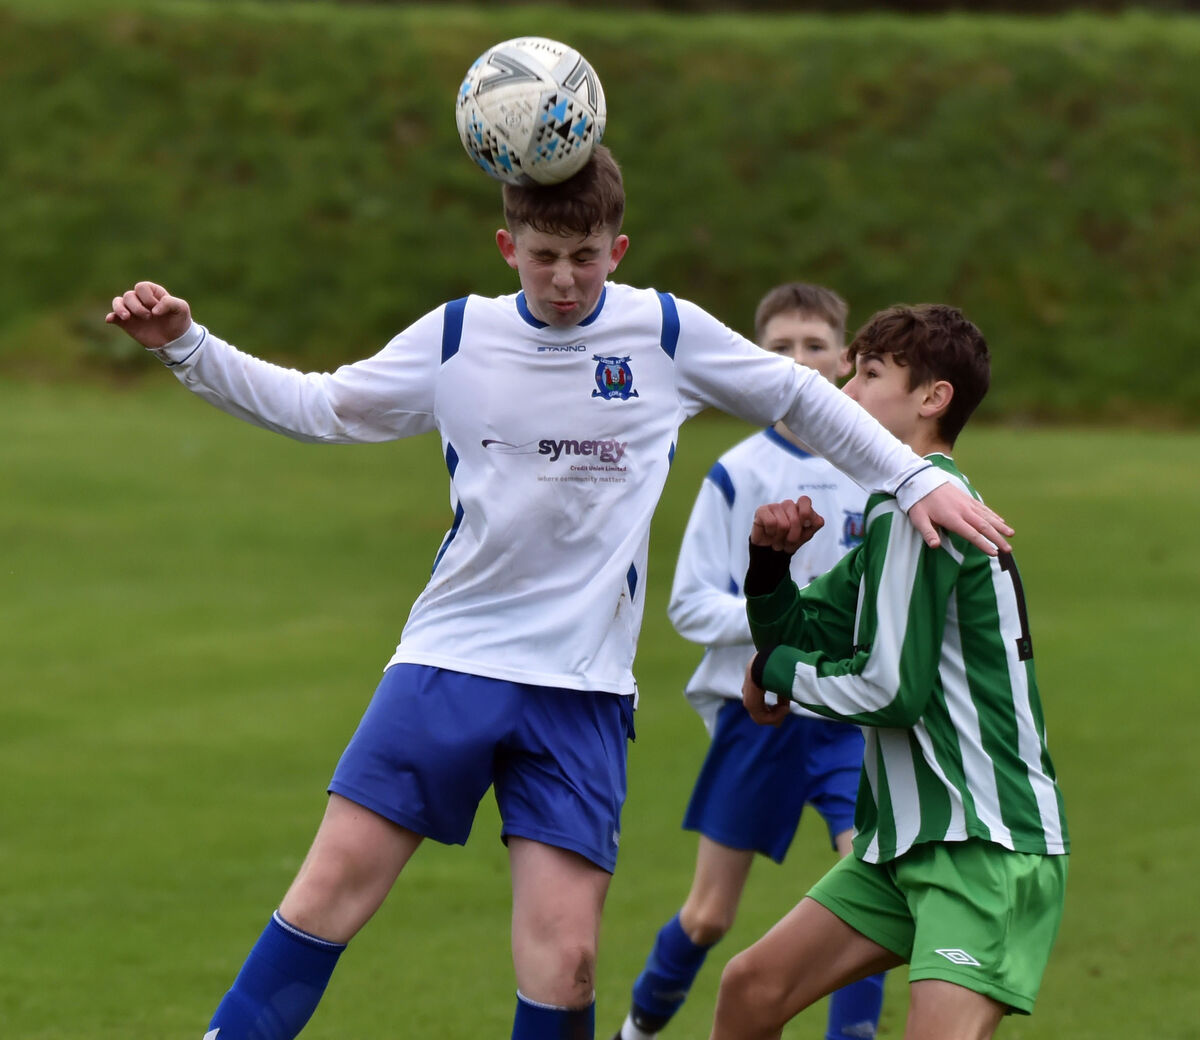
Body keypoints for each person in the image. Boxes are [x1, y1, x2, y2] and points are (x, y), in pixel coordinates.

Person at [105, 147, 1012, 1040]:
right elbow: (320, 407)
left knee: (569, 963)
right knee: (327, 895)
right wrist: (187, 345)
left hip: (582, 689)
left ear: (617, 250)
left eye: (585, 258)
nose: (565, 279)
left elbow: (798, 396)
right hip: (448, 661)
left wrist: (910, 479)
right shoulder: (459, 336)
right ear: (508, 249)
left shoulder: (664, 333)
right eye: (543, 257)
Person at [712, 304, 1068, 1040]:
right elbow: (805, 624)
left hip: (981, 842)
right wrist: (771, 567)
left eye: (870, 375)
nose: (845, 394)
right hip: (903, 847)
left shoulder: (928, 511)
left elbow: (889, 690)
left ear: (933, 399)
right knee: (751, 990)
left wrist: (776, 669)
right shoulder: (894, 510)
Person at [612, 283, 885, 1040]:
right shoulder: (738, 472)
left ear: (845, 359)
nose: (796, 361)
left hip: (846, 714)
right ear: (753, 361)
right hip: (755, 712)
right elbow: (689, 605)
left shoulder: (875, 466)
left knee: (867, 877)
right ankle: (637, 1028)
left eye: (813, 345)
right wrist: (783, 624)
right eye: (778, 349)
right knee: (708, 914)